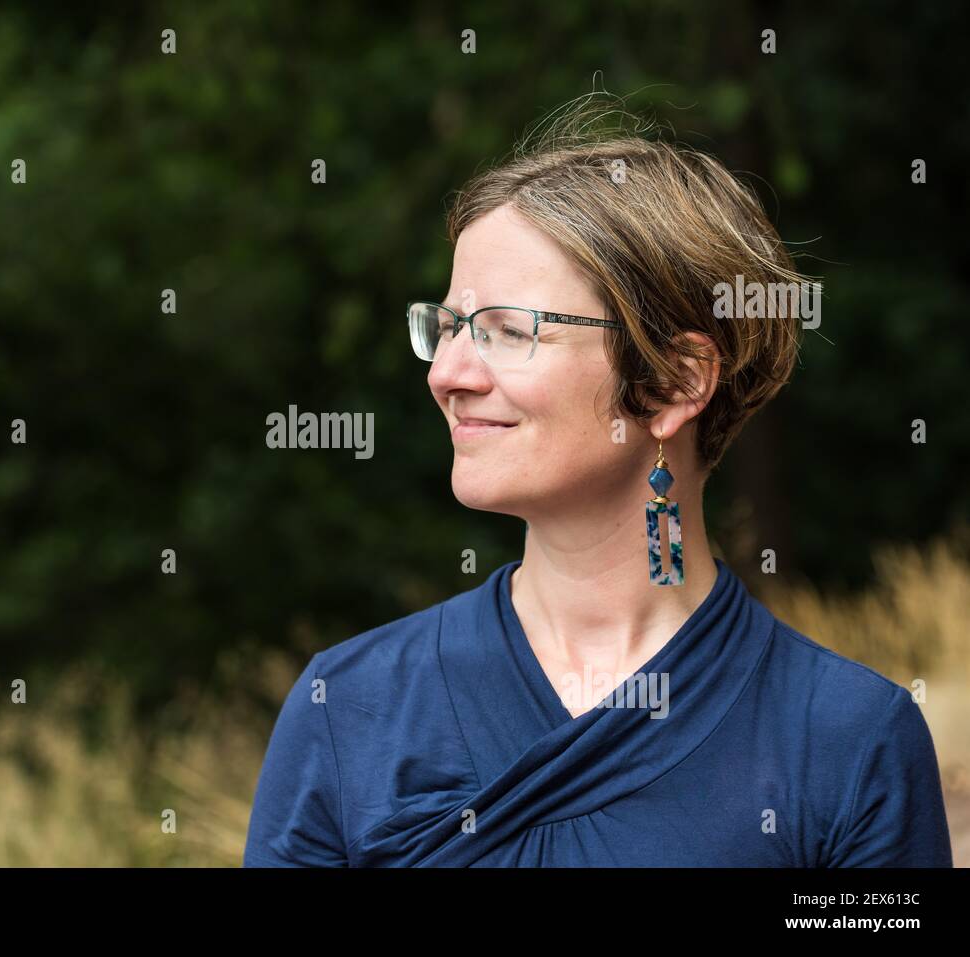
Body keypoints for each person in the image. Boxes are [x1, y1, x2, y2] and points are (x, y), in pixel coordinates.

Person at [242, 97, 954, 867]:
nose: (447, 373)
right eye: (447, 326)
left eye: (509, 331)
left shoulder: (847, 743)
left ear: (677, 382)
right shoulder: (349, 709)